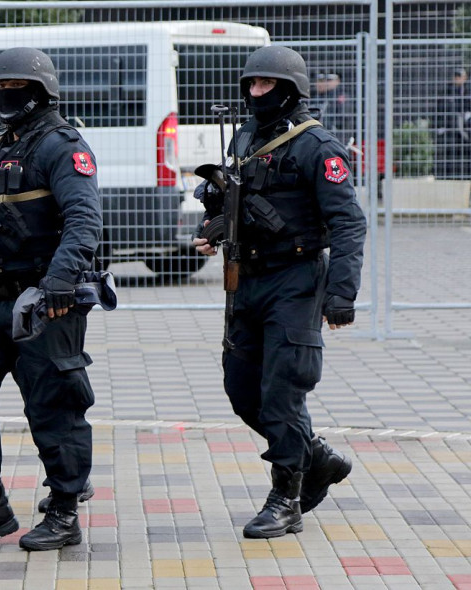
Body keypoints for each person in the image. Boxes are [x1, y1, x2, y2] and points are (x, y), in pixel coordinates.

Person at [192, 46, 366, 539]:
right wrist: (215, 224)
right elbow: (238, 198)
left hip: (296, 279)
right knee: (242, 391)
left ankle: (286, 496)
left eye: (266, 85)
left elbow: (348, 223)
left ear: (290, 89)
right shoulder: (247, 135)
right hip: (245, 278)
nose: (255, 92)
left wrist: (341, 295)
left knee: (281, 394)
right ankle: (317, 458)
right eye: (251, 84)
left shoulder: (318, 147)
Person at [0, 47, 102, 552]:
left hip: (46, 302)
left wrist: (58, 283)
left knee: (54, 408)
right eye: (0, 89)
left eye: (17, 89)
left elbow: (83, 220)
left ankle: (66, 511)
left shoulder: (62, 146)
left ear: (41, 92)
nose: (7, 97)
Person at [435, 67, 471, 179]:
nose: (458, 79)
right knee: (450, 156)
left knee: (465, 156)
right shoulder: (447, 92)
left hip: (466, 130)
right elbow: (439, 109)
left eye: (460, 76)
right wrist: (440, 127)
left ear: (465, 78)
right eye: (456, 76)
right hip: (450, 130)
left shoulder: (468, 92)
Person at [313, 72, 353, 146]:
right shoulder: (320, 97)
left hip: (337, 138)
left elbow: (343, 120)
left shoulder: (340, 97)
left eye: (329, 80)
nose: (324, 83)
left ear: (338, 81)